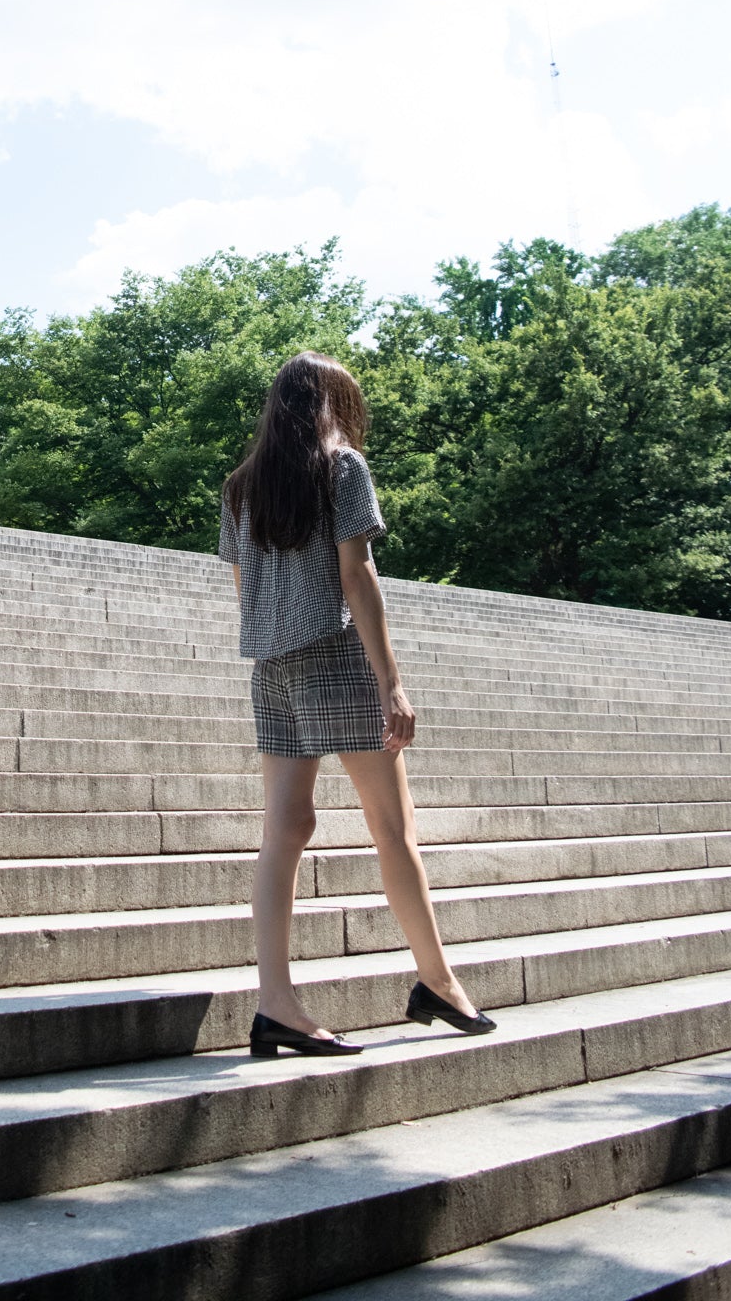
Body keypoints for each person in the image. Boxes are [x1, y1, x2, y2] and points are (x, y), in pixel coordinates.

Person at [219, 350, 496, 1056]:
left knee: (283, 830)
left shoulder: (241, 485)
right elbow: (356, 574)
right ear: (332, 402)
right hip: (335, 657)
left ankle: (275, 1002)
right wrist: (390, 681)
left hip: (272, 664)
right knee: (391, 827)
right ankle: (437, 981)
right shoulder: (340, 466)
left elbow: (240, 584)